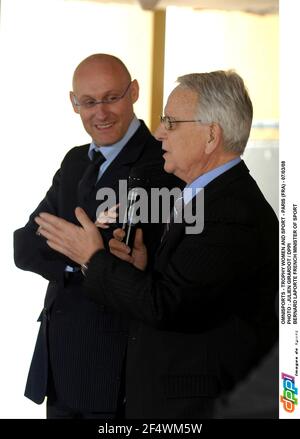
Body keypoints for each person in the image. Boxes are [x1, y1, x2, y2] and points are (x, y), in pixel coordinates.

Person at [33, 70, 279, 418]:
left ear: (211, 135)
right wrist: (142, 269)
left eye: (171, 122)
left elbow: (166, 305)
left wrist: (92, 256)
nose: (160, 131)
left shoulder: (231, 210)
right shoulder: (207, 198)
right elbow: (182, 293)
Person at [13, 53, 182, 418]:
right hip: (58, 360)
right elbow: (25, 246)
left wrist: (74, 244)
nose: (100, 112)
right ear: (74, 104)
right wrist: (84, 258)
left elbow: (138, 265)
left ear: (133, 92)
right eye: (89, 102)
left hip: (111, 369)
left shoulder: (160, 164)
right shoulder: (75, 161)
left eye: (111, 97)